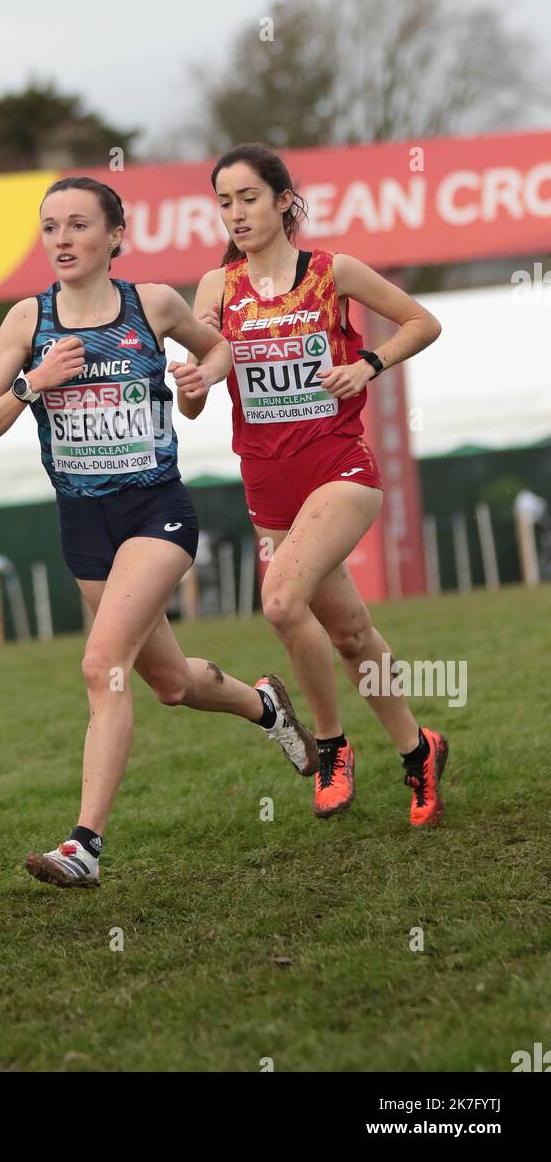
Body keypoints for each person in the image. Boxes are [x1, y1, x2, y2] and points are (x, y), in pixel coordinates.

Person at [0, 175, 318, 890]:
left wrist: (200, 379)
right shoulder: (27, 324)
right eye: (50, 227)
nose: (61, 240)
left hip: (156, 512)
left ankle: (85, 845)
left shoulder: (149, 303)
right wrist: (36, 382)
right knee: (170, 682)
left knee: (102, 667)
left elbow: (219, 350)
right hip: (82, 524)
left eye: (77, 226)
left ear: (115, 236)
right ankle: (267, 705)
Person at [180, 144, 447, 827]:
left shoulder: (332, 272)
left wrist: (368, 363)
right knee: (352, 633)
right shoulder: (217, 290)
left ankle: (330, 746)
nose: (235, 213)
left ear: (280, 199)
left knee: (279, 601)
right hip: (267, 482)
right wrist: (195, 382)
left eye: (247, 197)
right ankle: (420, 751)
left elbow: (424, 321)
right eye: (223, 202)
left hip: (339, 466)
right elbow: (197, 392)